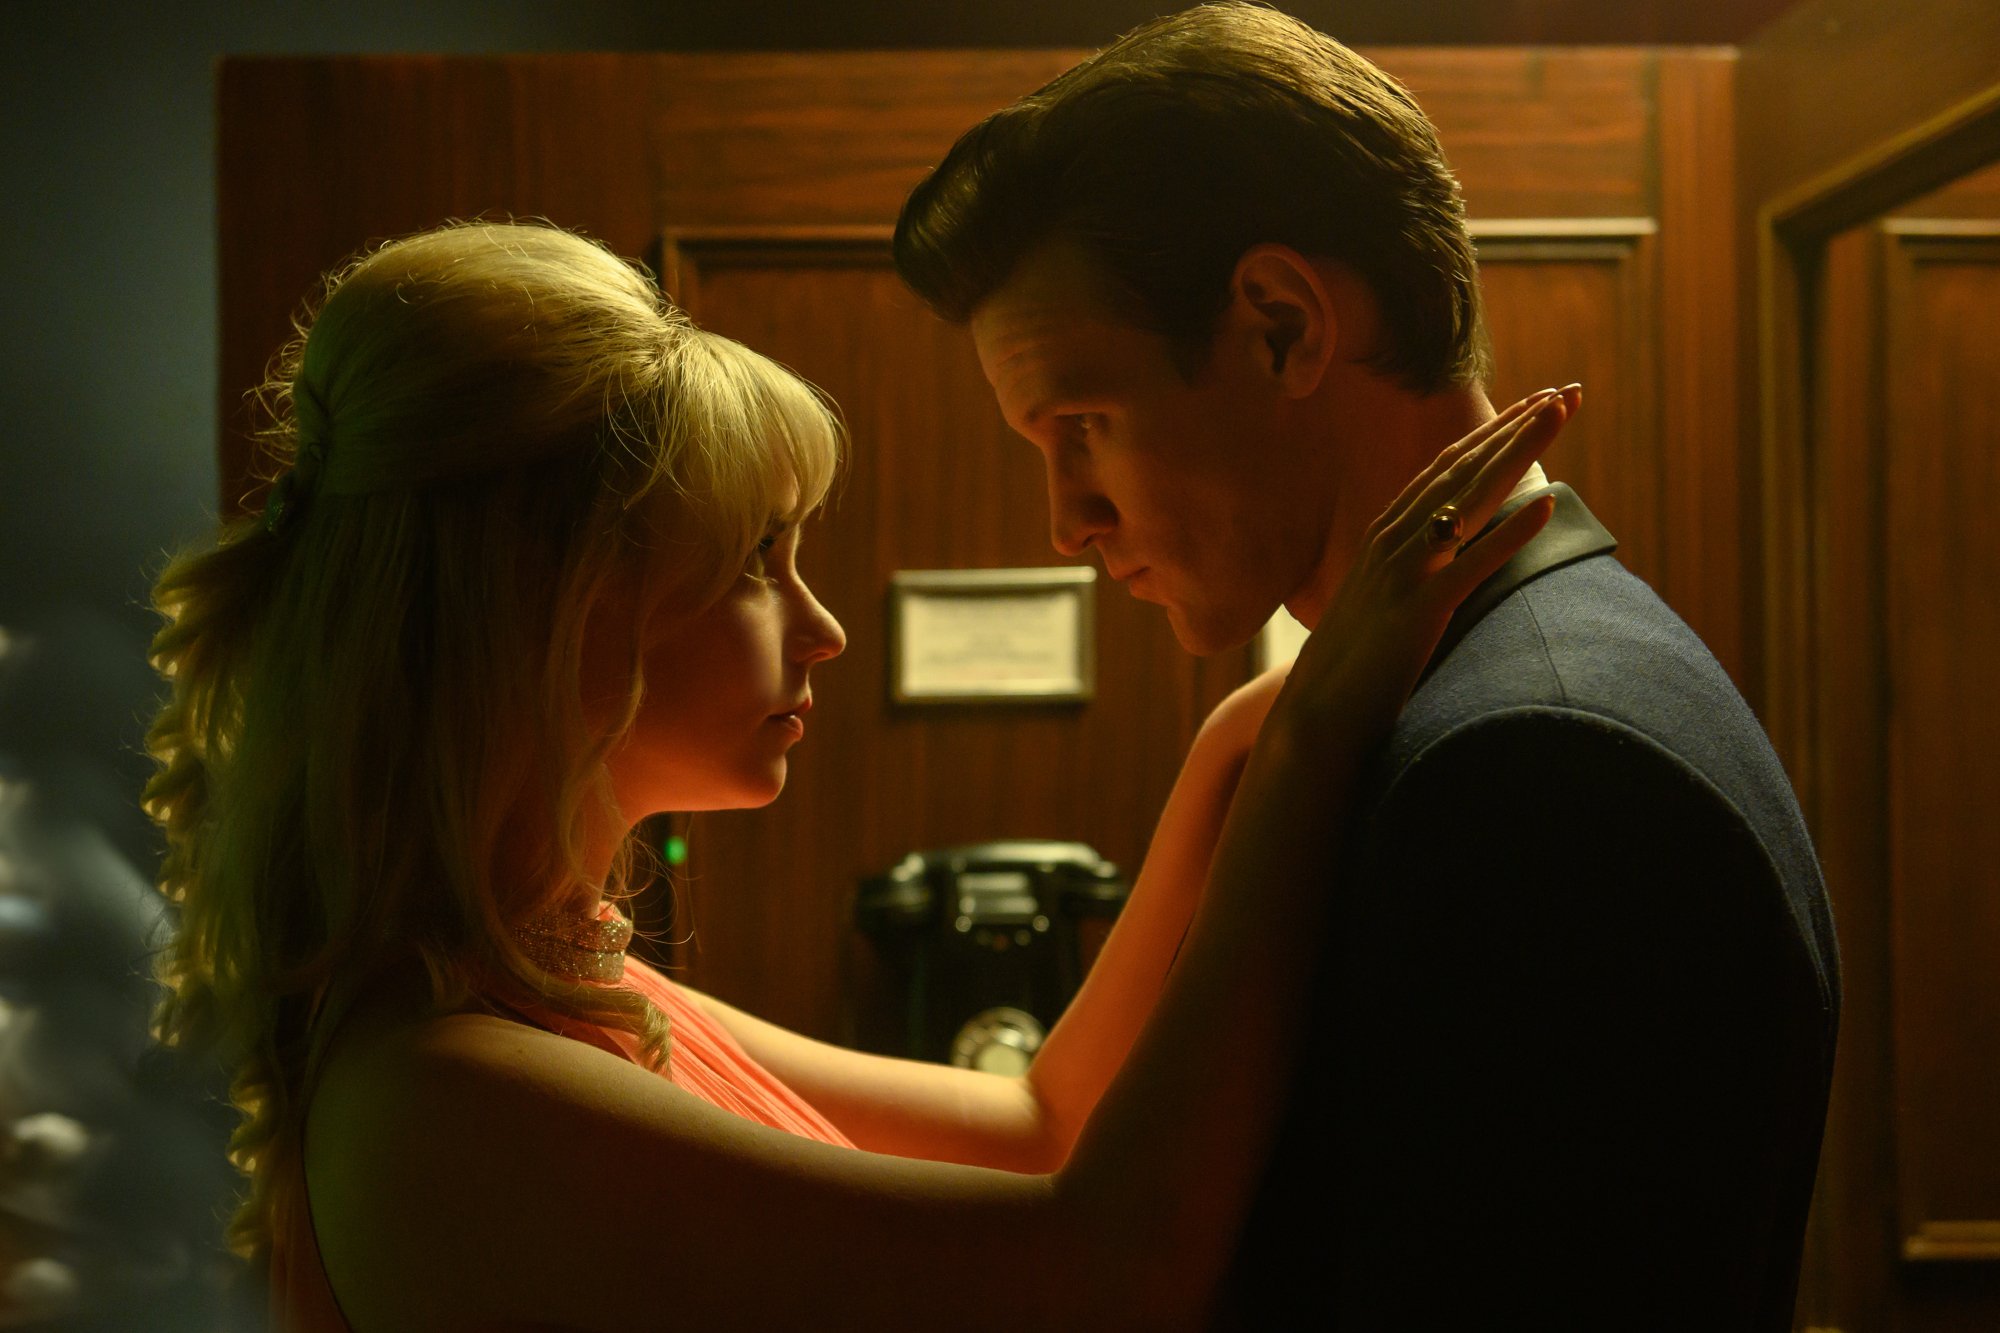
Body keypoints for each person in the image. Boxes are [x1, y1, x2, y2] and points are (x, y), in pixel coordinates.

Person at [141, 218, 1569, 1331]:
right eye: (757, 561)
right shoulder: (450, 1099)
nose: (823, 627)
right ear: (548, 613)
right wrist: (1313, 745)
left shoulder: (568, 988)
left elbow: (1038, 1129)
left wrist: (1244, 736)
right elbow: (1109, 1266)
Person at [892, 4, 1839, 1329]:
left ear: (1282, 326)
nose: (1068, 520)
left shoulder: (1532, 758)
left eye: (1087, 425)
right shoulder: (1472, 702)